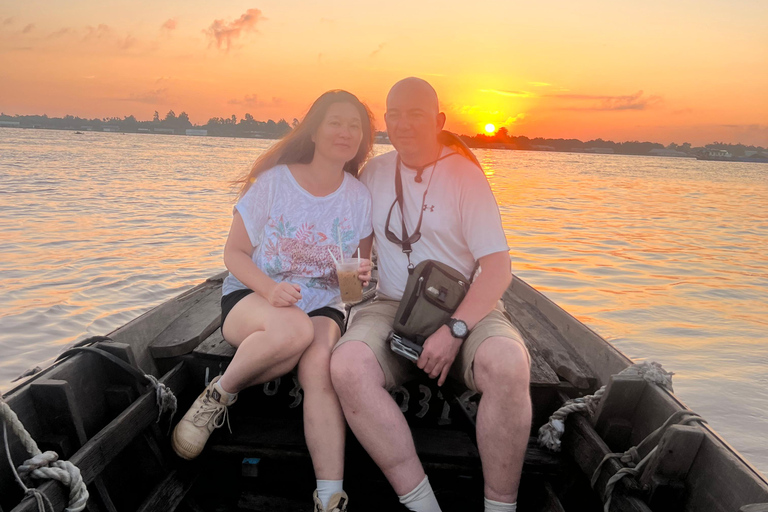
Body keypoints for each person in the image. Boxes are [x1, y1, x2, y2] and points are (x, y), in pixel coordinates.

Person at [330, 78, 531, 512]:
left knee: (509, 364)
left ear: (438, 120)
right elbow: (355, 257)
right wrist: (351, 280)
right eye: (394, 114)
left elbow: (498, 269)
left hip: (463, 309)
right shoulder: (374, 174)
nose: (403, 124)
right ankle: (422, 504)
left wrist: (456, 330)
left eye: (415, 114)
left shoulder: (466, 176)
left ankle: (500, 506)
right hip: (389, 306)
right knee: (346, 365)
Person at [171, 90, 375, 512]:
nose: (346, 132)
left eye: (355, 126)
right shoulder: (274, 182)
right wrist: (269, 289)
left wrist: (362, 278)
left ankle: (329, 496)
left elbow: (352, 285)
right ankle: (217, 396)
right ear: (314, 130)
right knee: (293, 329)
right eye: (336, 122)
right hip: (253, 295)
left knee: (319, 362)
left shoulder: (359, 197)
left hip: (323, 303)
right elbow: (233, 254)